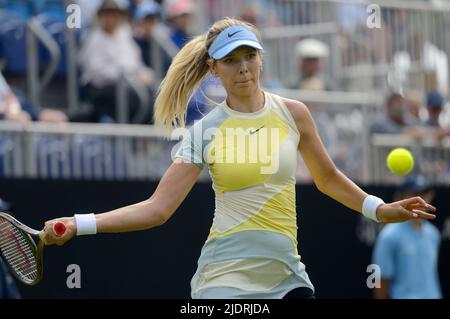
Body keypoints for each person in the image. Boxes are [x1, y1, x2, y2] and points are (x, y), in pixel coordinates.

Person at [41, 18, 437, 299]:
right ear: (214, 68)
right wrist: (79, 223)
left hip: (288, 277)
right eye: (231, 60)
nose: (243, 67)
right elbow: (157, 210)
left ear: (261, 58)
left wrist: (379, 209)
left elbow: (328, 178)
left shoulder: (294, 113)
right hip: (224, 281)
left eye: (250, 55)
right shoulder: (204, 131)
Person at [372, 175, 442, 299]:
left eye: (425, 194)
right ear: (401, 198)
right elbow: (380, 281)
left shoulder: (433, 234)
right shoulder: (388, 236)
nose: (422, 200)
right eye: (415, 195)